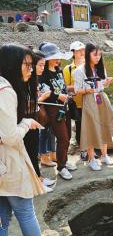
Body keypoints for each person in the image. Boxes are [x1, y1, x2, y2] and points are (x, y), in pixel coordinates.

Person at [0, 43, 58, 236]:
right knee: (24, 209)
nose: (30, 69)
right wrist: (26, 122)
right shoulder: (6, 91)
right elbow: (11, 137)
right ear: (12, 64)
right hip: (8, 161)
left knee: (2, 217)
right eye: (27, 64)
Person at [74, 43, 113, 171]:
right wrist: (89, 90)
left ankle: (104, 155)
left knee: (104, 125)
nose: (98, 57)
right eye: (95, 54)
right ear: (88, 54)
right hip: (89, 99)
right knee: (90, 128)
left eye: (99, 55)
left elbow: (102, 85)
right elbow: (77, 90)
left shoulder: (101, 68)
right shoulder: (80, 70)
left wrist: (106, 82)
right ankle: (91, 158)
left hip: (101, 98)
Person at [38, 42, 76, 180]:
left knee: (68, 137)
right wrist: (58, 95)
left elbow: (62, 87)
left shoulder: (58, 70)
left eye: (58, 57)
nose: (57, 60)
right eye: (54, 57)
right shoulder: (43, 73)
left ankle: (63, 162)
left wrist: (68, 92)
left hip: (64, 106)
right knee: (63, 138)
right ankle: (61, 167)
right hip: (53, 108)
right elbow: (44, 91)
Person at [24, 50, 56, 193]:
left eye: (44, 65)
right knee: (31, 151)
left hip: (33, 120)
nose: (42, 68)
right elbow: (27, 105)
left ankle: (39, 178)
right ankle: (36, 181)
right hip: (27, 123)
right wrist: (42, 98)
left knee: (34, 150)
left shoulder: (34, 80)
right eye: (40, 65)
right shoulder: (26, 81)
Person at [63, 41, 86, 160]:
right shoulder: (68, 69)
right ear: (73, 53)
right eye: (79, 50)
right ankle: (83, 150)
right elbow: (66, 87)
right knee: (80, 126)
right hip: (77, 103)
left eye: (83, 50)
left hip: (90, 102)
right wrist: (79, 87)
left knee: (91, 125)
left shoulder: (90, 66)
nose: (82, 52)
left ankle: (91, 148)